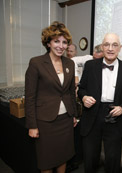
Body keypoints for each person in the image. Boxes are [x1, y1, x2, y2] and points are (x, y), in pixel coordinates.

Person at [78, 33, 122, 173]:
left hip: (115, 117)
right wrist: (84, 97)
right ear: (102, 47)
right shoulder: (90, 65)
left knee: (112, 159)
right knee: (90, 157)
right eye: (107, 45)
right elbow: (82, 88)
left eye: (114, 45)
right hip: (93, 114)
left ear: (120, 48)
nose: (110, 48)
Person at [25, 21, 78, 173]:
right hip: (45, 122)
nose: (61, 46)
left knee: (63, 156)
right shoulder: (36, 63)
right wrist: (32, 125)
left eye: (64, 42)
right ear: (48, 43)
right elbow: (30, 97)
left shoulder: (69, 63)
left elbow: (69, 92)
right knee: (47, 161)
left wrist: (73, 114)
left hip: (66, 120)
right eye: (56, 41)